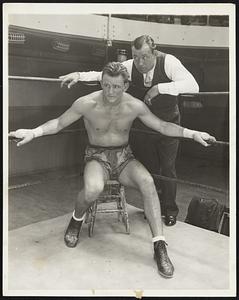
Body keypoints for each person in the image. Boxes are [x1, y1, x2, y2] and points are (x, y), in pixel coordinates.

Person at [9, 62, 215, 279]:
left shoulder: (134, 105)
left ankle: (160, 246)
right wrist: (33, 131)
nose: (110, 92)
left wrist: (192, 133)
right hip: (97, 156)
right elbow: (59, 123)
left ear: (125, 85)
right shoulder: (86, 103)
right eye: (106, 85)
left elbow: (162, 126)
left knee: (148, 182)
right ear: (101, 82)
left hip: (124, 157)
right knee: (93, 189)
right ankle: (76, 220)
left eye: (116, 87)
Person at [59, 35, 199, 227]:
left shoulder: (169, 62)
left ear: (154, 52)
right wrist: (79, 75)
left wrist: (160, 88)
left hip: (168, 122)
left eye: (144, 57)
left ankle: (170, 210)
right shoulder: (131, 65)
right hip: (144, 123)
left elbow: (193, 85)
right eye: (136, 56)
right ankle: (152, 207)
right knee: (149, 167)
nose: (140, 62)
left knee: (167, 167)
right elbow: (104, 75)